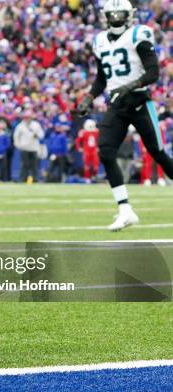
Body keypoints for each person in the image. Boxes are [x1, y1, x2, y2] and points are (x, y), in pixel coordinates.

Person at [77, 0, 172, 231]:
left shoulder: (139, 35)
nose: (117, 18)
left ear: (129, 15)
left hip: (139, 101)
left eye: (121, 14)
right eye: (113, 14)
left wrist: (130, 86)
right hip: (117, 105)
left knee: (158, 153)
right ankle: (125, 210)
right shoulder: (99, 41)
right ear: (105, 16)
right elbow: (102, 78)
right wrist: (90, 97)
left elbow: (153, 72)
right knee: (106, 151)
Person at [13, 110, 44, 182]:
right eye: (26, 117)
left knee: (34, 165)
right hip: (24, 148)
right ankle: (22, 179)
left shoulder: (36, 125)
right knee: (24, 165)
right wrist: (18, 146)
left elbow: (41, 135)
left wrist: (37, 135)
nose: (27, 119)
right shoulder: (20, 126)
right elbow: (16, 137)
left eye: (28, 117)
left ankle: (35, 179)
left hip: (34, 148)